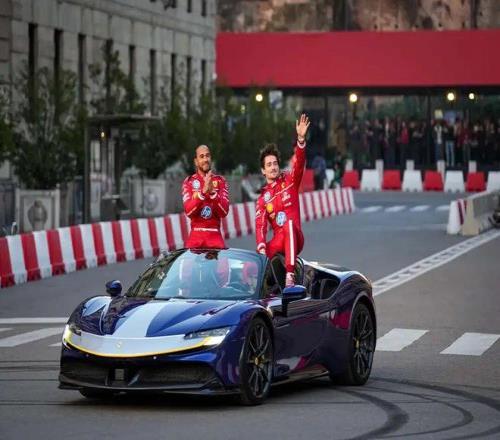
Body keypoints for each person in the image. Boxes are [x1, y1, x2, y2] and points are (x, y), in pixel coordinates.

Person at [255, 113, 310, 288]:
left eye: (275, 163)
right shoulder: (262, 199)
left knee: (288, 225)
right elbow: (260, 226)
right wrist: (261, 247)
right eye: (269, 165)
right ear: (263, 170)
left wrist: (300, 140)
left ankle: (290, 276)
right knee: (253, 262)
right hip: (278, 242)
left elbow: (299, 163)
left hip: (295, 235)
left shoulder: (290, 180)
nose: (273, 167)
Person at [182, 144, 229, 249]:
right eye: (201, 156)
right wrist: (202, 193)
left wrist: (213, 193)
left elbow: (224, 212)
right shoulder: (189, 182)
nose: (205, 159)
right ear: (196, 161)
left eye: (207, 156)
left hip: (215, 237)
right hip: (195, 237)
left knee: (224, 260)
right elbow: (188, 212)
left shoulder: (220, 181)